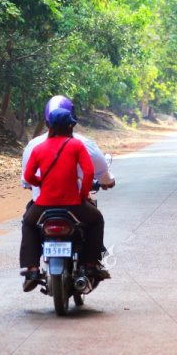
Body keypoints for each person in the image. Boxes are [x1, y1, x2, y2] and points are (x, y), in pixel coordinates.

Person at [19, 106, 106, 292]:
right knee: (97, 220)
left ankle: (33, 269)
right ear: (69, 127)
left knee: (28, 223)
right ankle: (91, 265)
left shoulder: (38, 148)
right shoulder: (76, 145)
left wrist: (40, 183)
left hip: (43, 206)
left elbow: (27, 177)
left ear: (49, 126)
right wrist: (83, 196)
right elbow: (89, 172)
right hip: (73, 206)